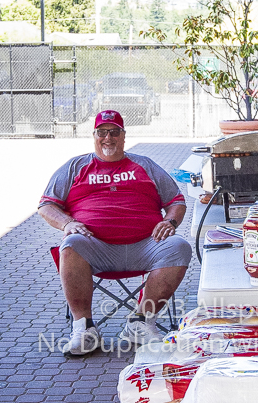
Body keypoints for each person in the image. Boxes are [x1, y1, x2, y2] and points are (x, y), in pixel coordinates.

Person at [38, 110, 192, 356]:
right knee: (71, 243)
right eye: (102, 132)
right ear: (94, 135)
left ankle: (141, 322)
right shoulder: (76, 166)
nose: (107, 137)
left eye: (114, 132)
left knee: (179, 247)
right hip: (95, 247)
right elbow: (46, 205)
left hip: (147, 244)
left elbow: (176, 199)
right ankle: (84, 329)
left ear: (123, 136)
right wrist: (67, 223)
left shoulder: (145, 165)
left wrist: (171, 222)